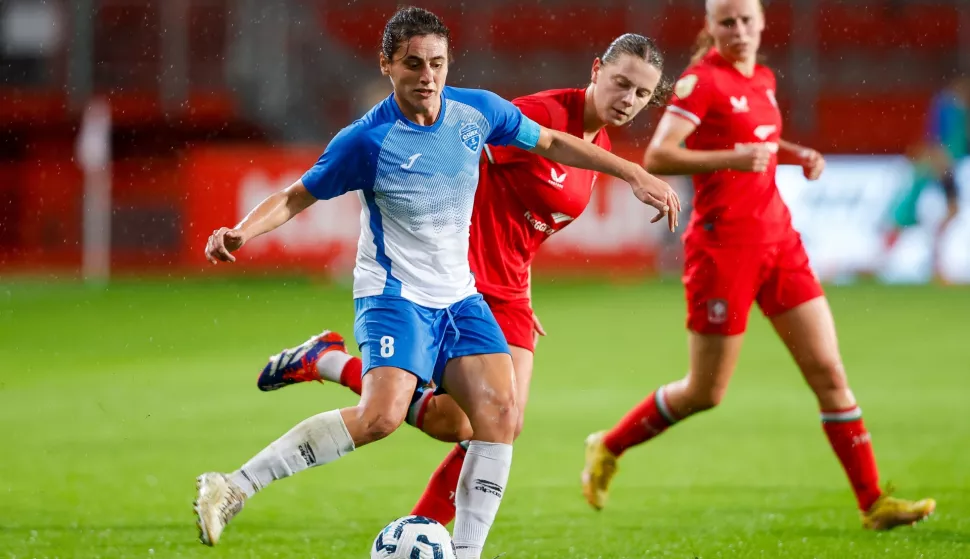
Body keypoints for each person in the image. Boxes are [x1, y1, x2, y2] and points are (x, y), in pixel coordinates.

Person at [193, 7, 680, 558]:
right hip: (399, 290)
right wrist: (240, 232)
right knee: (384, 418)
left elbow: (547, 148)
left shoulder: (479, 112)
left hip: (470, 294)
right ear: (388, 65)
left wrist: (632, 174)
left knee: (494, 419)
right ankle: (233, 485)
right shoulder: (366, 140)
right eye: (414, 64)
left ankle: (464, 551)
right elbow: (295, 195)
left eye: (438, 64)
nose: (427, 75)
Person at [580, 0, 936, 531]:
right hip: (724, 251)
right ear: (711, 27)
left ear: (763, 23)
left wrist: (796, 152)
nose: (739, 30)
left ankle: (873, 503)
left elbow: (756, 136)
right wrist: (733, 158)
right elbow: (658, 156)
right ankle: (609, 444)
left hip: (779, 242)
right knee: (706, 392)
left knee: (829, 372)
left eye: (747, 20)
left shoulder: (763, 77)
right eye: (727, 22)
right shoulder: (700, 83)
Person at [884, 75, 967, 280]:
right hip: (943, 166)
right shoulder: (948, 108)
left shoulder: (952, 109)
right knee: (922, 212)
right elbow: (937, 139)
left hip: (945, 165)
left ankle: (934, 258)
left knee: (943, 212)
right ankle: (929, 259)